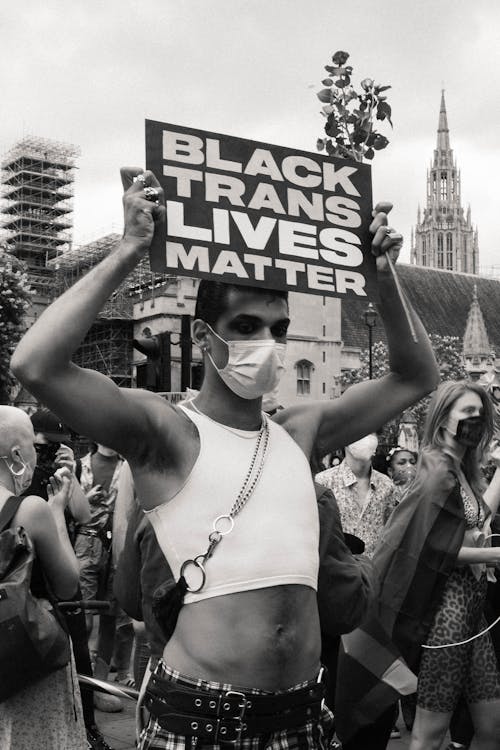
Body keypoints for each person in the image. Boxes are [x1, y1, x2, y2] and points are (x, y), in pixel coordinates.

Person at [11, 168, 439, 749]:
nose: (266, 342)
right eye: (245, 326)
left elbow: (416, 375)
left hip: (302, 719)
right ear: (204, 334)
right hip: (200, 721)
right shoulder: (165, 432)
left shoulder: (299, 430)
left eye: (278, 328)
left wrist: (381, 276)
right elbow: (35, 364)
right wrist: (131, 246)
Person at [336, 381, 500, 750]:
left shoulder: (459, 470)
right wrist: (493, 555)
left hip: (473, 613)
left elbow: (471, 521)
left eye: (480, 414)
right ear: (443, 420)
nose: (476, 420)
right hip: (448, 616)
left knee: (491, 726)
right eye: (468, 414)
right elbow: (431, 547)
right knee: (429, 734)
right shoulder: (437, 472)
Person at [0, 406, 87, 749]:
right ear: (17, 454)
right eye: (35, 449)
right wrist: (54, 511)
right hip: (24, 654)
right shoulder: (29, 509)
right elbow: (68, 584)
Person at [26, 409, 112, 749]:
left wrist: (70, 474)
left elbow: (83, 514)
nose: (49, 453)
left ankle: (88, 726)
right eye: (45, 446)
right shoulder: (17, 478)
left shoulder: (62, 473)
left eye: (59, 446)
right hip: (31, 582)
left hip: (61, 572)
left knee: (79, 651)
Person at [75, 443, 128, 712]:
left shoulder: (126, 467)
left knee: (109, 617)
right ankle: (78, 684)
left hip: (114, 545)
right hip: (85, 543)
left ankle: (99, 686)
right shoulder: (79, 464)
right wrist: (85, 499)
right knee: (81, 618)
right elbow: (68, 509)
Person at [316, 433, 400, 558]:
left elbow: (392, 534)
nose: (365, 438)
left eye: (370, 432)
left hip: (375, 571)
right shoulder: (323, 482)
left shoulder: (387, 485)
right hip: (336, 571)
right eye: (359, 432)